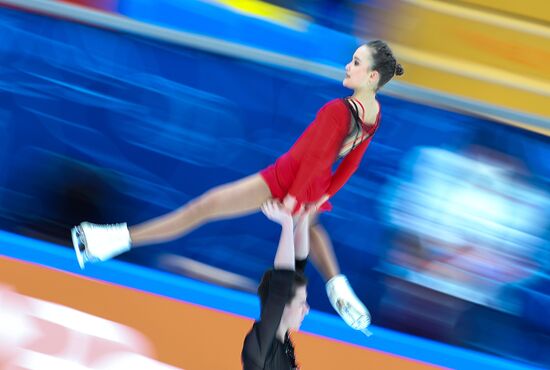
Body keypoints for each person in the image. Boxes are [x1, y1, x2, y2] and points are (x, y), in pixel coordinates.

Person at [71, 40, 404, 331]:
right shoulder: (373, 114)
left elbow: (316, 158)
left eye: (356, 62)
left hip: (287, 179)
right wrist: (323, 195)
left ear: (372, 76)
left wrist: (292, 200)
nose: (348, 65)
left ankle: (108, 241)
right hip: (312, 185)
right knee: (312, 230)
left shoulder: (336, 110)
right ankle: (338, 287)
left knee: (202, 208)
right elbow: (350, 163)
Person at [242, 200, 310, 370]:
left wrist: (304, 217)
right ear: (282, 306)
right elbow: (283, 280)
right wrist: (286, 224)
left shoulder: (279, 340)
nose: (306, 309)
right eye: (301, 303)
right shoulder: (261, 349)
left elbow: (295, 268)